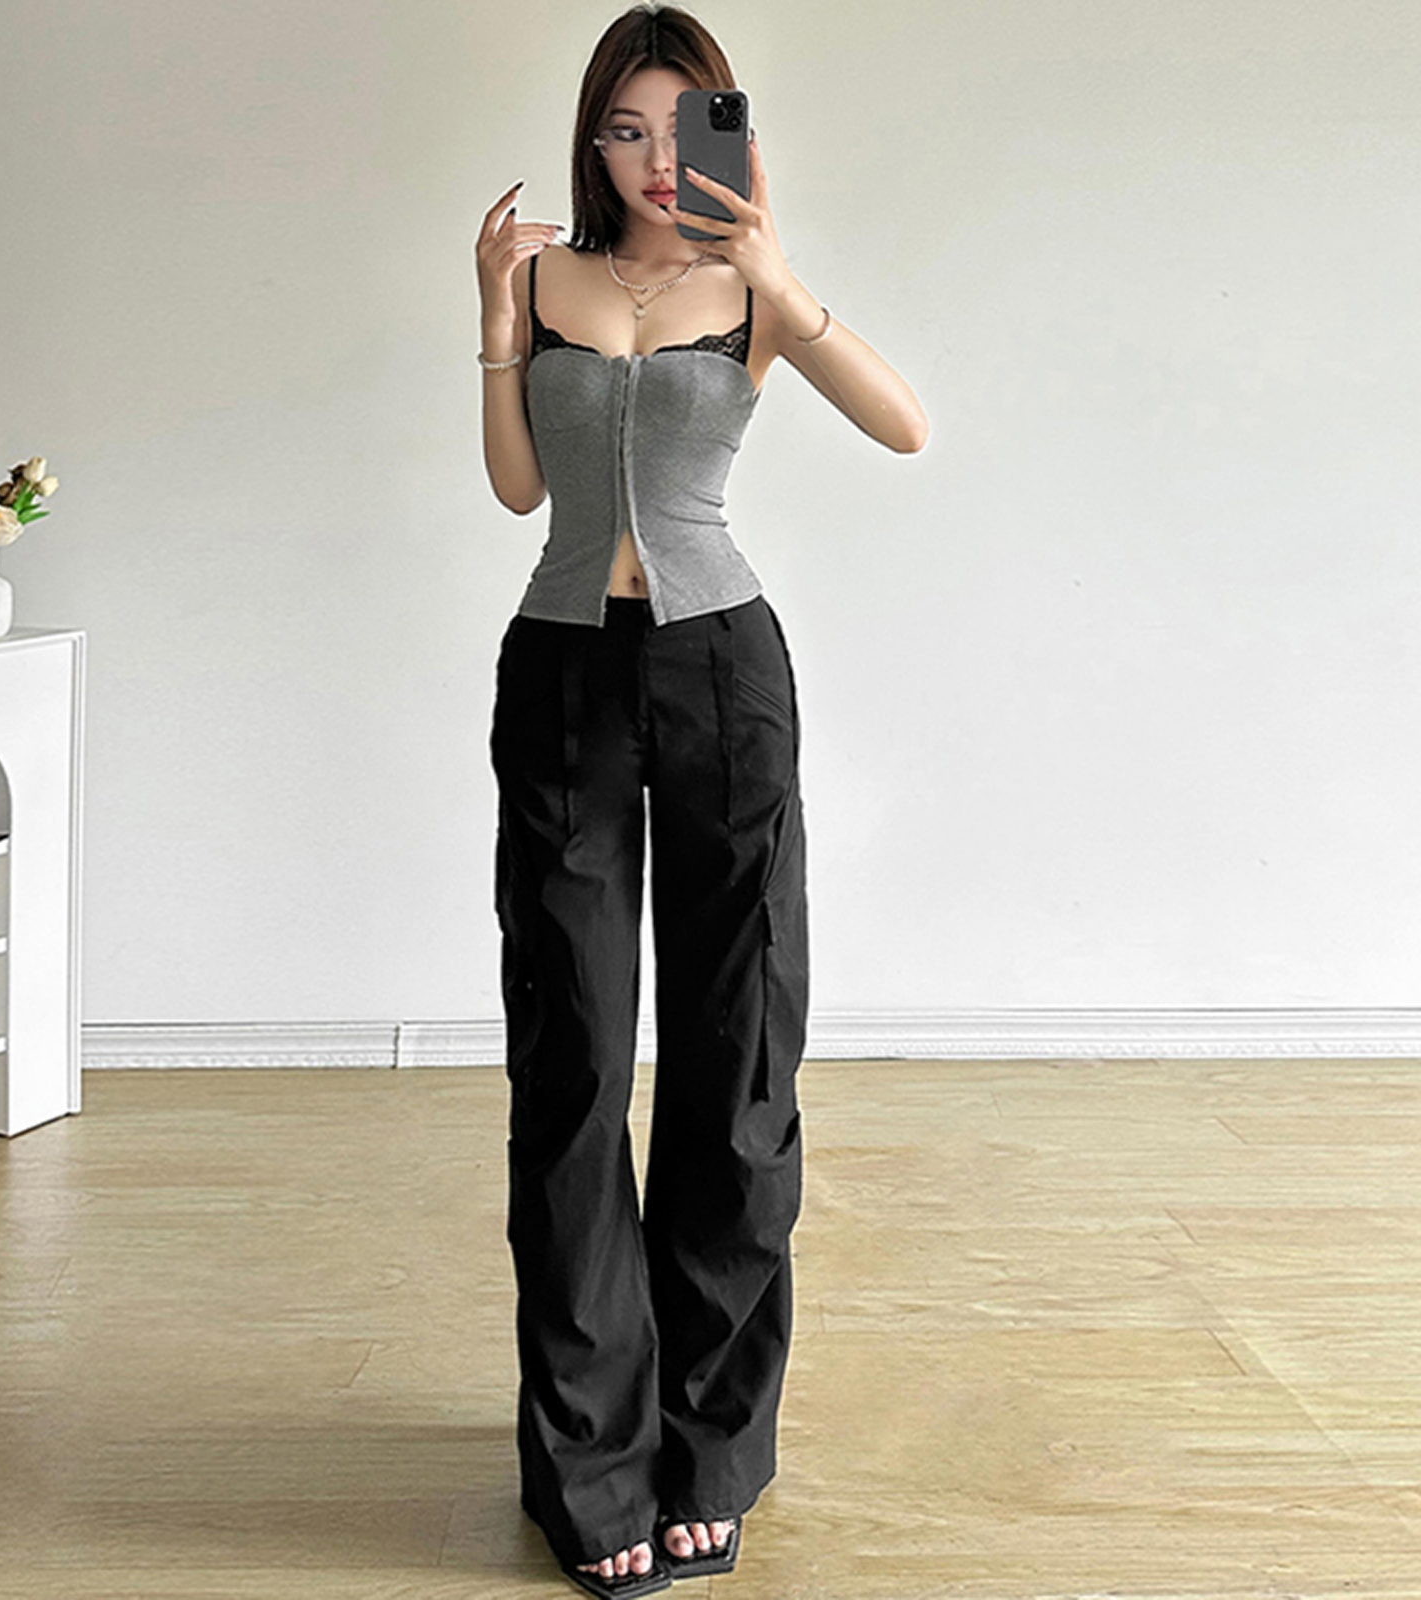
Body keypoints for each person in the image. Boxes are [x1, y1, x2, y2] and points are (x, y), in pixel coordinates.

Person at [473, 6, 928, 1593]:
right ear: (590, 141)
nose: (655, 160)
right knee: (575, 1058)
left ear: (728, 133)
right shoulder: (548, 281)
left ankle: (711, 1446)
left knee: (736, 1052)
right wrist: (492, 316)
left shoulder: (751, 291)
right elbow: (520, 490)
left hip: (725, 669)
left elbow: (905, 423)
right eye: (625, 130)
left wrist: (785, 285)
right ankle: (590, 1464)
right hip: (561, 670)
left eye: (683, 128)